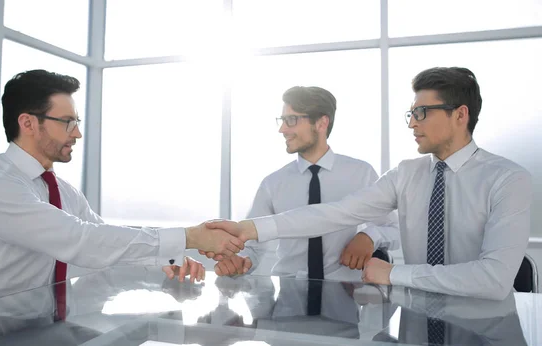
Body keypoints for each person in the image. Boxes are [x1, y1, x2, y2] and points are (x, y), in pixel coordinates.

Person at [207, 67, 532, 300]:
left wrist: (393, 274)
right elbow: (335, 213)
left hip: (486, 328)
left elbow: (494, 280)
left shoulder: (507, 179)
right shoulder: (406, 174)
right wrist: (249, 228)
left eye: (421, 112)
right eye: (411, 114)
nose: (412, 124)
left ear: (460, 115)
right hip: (415, 322)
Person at [0, 69, 243, 310]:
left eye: (77, 121)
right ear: (28, 123)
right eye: (67, 122)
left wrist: (168, 258)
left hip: (34, 327)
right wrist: (189, 236)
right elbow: (81, 241)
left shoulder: (62, 190)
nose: (78, 133)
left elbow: (102, 238)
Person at [207, 86, 399, 282]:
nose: (282, 129)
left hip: (343, 294)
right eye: (282, 121)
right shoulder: (273, 183)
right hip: (287, 296)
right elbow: (253, 246)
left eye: (291, 120)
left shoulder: (361, 173)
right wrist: (242, 261)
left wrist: (369, 236)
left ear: (321, 123)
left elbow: (394, 230)